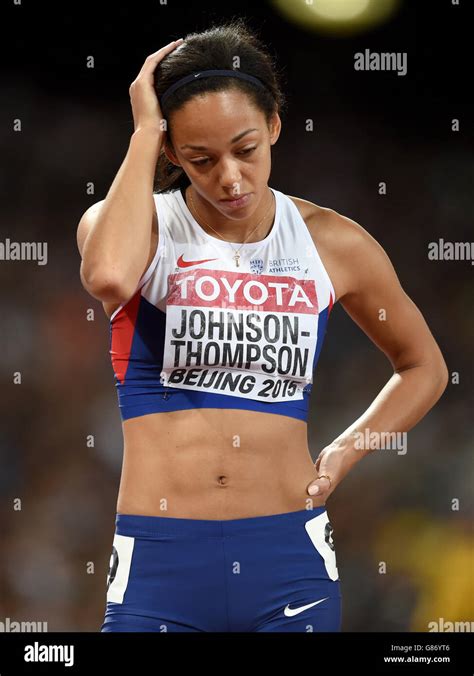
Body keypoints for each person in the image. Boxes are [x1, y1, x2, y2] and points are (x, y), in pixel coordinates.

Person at [76, 19, 448, 633]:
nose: (230, 178)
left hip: (288, 558)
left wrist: (344, 452)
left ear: (275, 125)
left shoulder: (333, 243)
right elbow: (110, 279)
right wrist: (145, 129)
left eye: (246, 150)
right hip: (160, 559)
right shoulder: (141, 227)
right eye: (200, 158)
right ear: (171, 152)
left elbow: (424, 367)